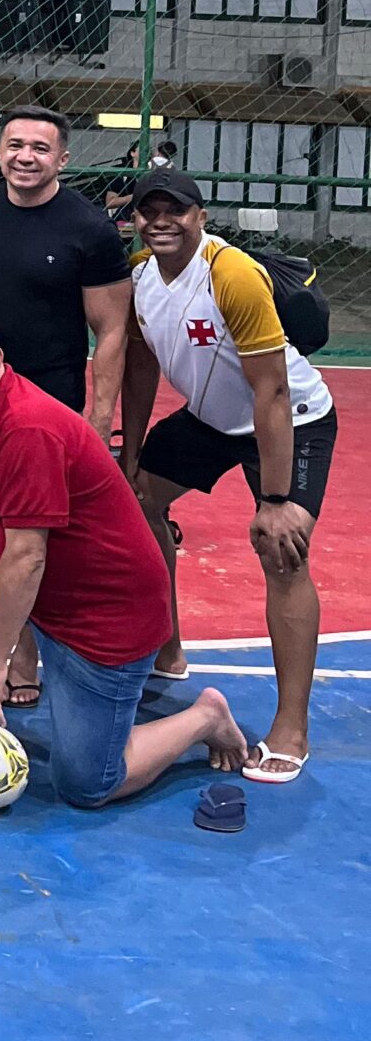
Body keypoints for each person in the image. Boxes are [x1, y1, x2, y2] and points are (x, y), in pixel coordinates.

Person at [0, 312, 250, 804]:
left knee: (88, 784)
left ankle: (205, 717)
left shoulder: (27, 428)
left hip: (102, 615)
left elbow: (26, 558)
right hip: (46, 588)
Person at [120, 173, 332, 786]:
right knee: (137, 501)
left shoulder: (229, 274)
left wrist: (276, 499)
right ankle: (167, 647)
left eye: (176, 210)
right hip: (212, 419)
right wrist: (132, 452)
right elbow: (140, 367)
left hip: (291, 418)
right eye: (149, 211)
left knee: (282, 550)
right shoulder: (139, 275)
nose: (162, 221)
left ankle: (290, 729)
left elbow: (273, 389)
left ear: (201, 216)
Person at [0, 106, 129, 438]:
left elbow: (111, 330)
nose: (25, 157)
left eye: (40, 148)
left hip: (51, 397)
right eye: (15, 146)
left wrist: (100, 418)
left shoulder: (92, 229)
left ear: (62, 160)